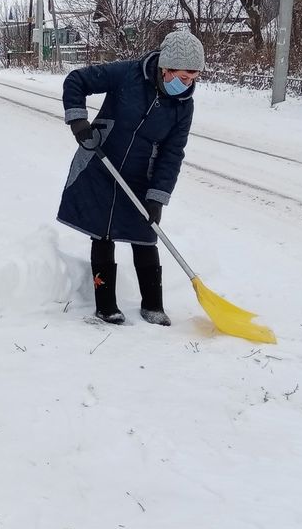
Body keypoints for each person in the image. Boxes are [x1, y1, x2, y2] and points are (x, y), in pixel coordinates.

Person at [57, 27, 201, 326]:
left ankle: (153, 306)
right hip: (101, 161)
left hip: (140, 177)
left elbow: (173, 153)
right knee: (103, 231)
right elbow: (76, 81)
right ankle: (106, 305)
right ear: (165, 68)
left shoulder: (183, 106)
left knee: (146, 236)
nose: (187, 85)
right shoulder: (128, 74)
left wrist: (158, 196)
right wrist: (79, 121)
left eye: (193, 78)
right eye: (183, 77)